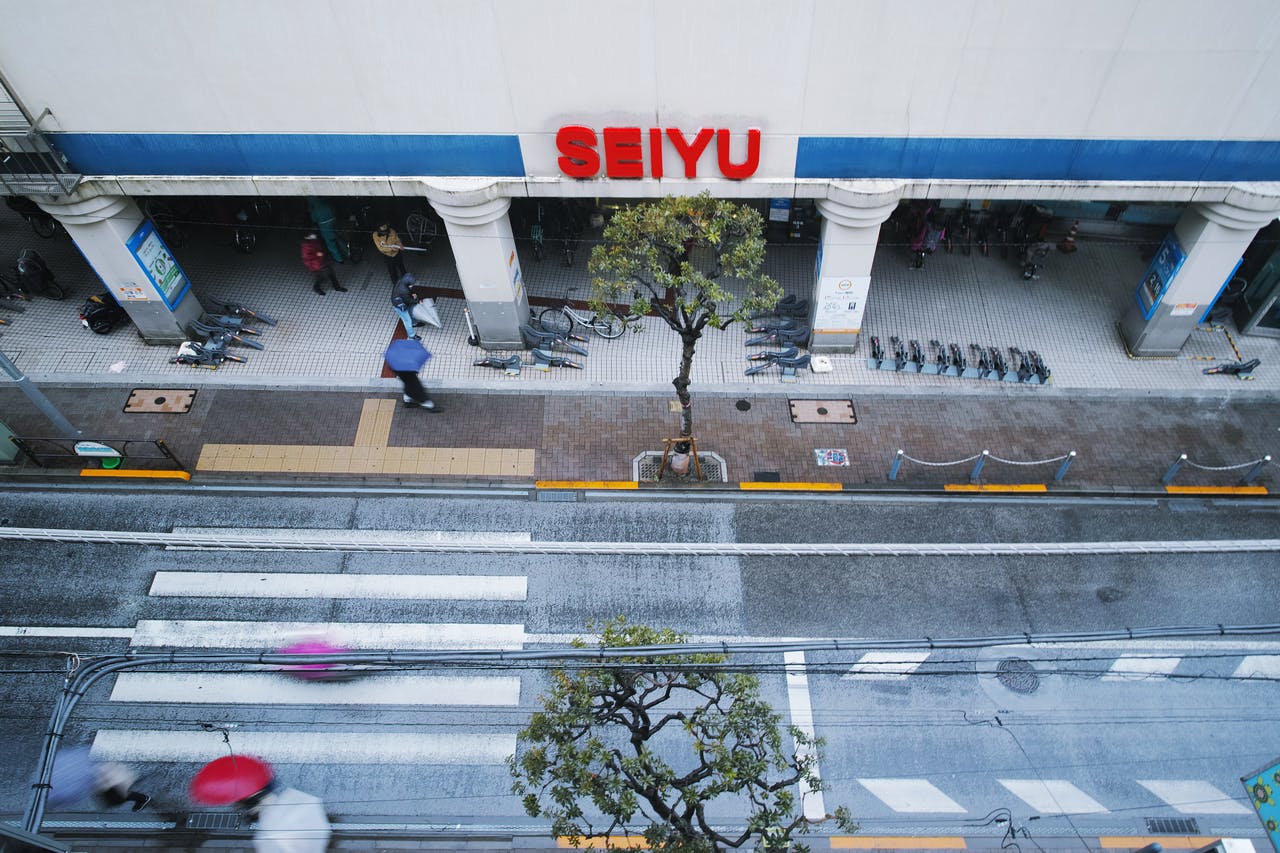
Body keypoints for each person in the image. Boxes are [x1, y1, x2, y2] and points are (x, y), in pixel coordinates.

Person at [307, 197, 346, 263]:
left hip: (325, 229)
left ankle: (339, 259)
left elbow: (314, 220)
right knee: (340, 240)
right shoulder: (327, 205)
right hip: (335, 224)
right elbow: (334, 211)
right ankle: (347, 252)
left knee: (331, 244)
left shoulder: (314, 210)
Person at [392, 273, 421, 340]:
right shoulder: (404, 290)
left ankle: (414, 323)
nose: (412, 286)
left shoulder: (401, 281)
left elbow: (407, 294)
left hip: (399, 300)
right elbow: (408, 300)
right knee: (407, 320)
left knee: (410, 312)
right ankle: (412, 335)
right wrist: (416, 300)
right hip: (400, 305)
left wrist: (411, 294)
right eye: (411, 285)